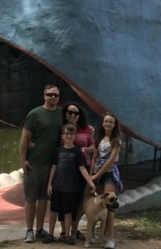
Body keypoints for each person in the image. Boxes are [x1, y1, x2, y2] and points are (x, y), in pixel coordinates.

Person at [19, 85, 63, 243]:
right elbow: (24, 138)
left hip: (51, 165)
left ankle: (39, 229)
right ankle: (29, 230)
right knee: (31, 198)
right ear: (44, 96)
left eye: (56, 95)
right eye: (50, 94)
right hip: (34, 163)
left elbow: (71, 127)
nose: (53, 97)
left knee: (44, 198)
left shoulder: (60, 113)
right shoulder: (35, 114)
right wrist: (23, 160)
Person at [44, 123, 96, 245]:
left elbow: (82, 168)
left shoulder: (78, 152)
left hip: (70, 188)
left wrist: (90, 182)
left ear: (74, 136)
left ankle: (67, 235)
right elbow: (54, 167)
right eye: (66, 133)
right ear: (62, 136)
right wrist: (49, 184)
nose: (69, 136)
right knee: (53, 211)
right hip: (57, 186)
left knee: (68, 212)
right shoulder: (57, 150)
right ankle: (51, 234)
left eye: (71, 134)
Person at [58, 102, 96, 241]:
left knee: (78, 199)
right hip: (66, 169)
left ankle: (74, 229)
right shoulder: (61, 129)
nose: (73, 115)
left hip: (81, 168)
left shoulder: (86, 129)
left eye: (76, 113)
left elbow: (93, 146)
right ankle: (64, 231)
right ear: (65, 113)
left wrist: (85, 150)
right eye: (70, 112)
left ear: (80, 115)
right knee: (64, 199)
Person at [91, 113, 124, 249]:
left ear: (114, 124)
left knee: (110, 205)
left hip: (109, 173)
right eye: (106, 121)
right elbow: (94, 157)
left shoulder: (116, 140)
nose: (108, 124)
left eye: (111, 122)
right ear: (102, 123)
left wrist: (97, 174)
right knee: (100, 204)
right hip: (97, 172)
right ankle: (98, 234)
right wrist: (91, 174)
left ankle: (111, 238)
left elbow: (110, 161)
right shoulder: (98, 138)